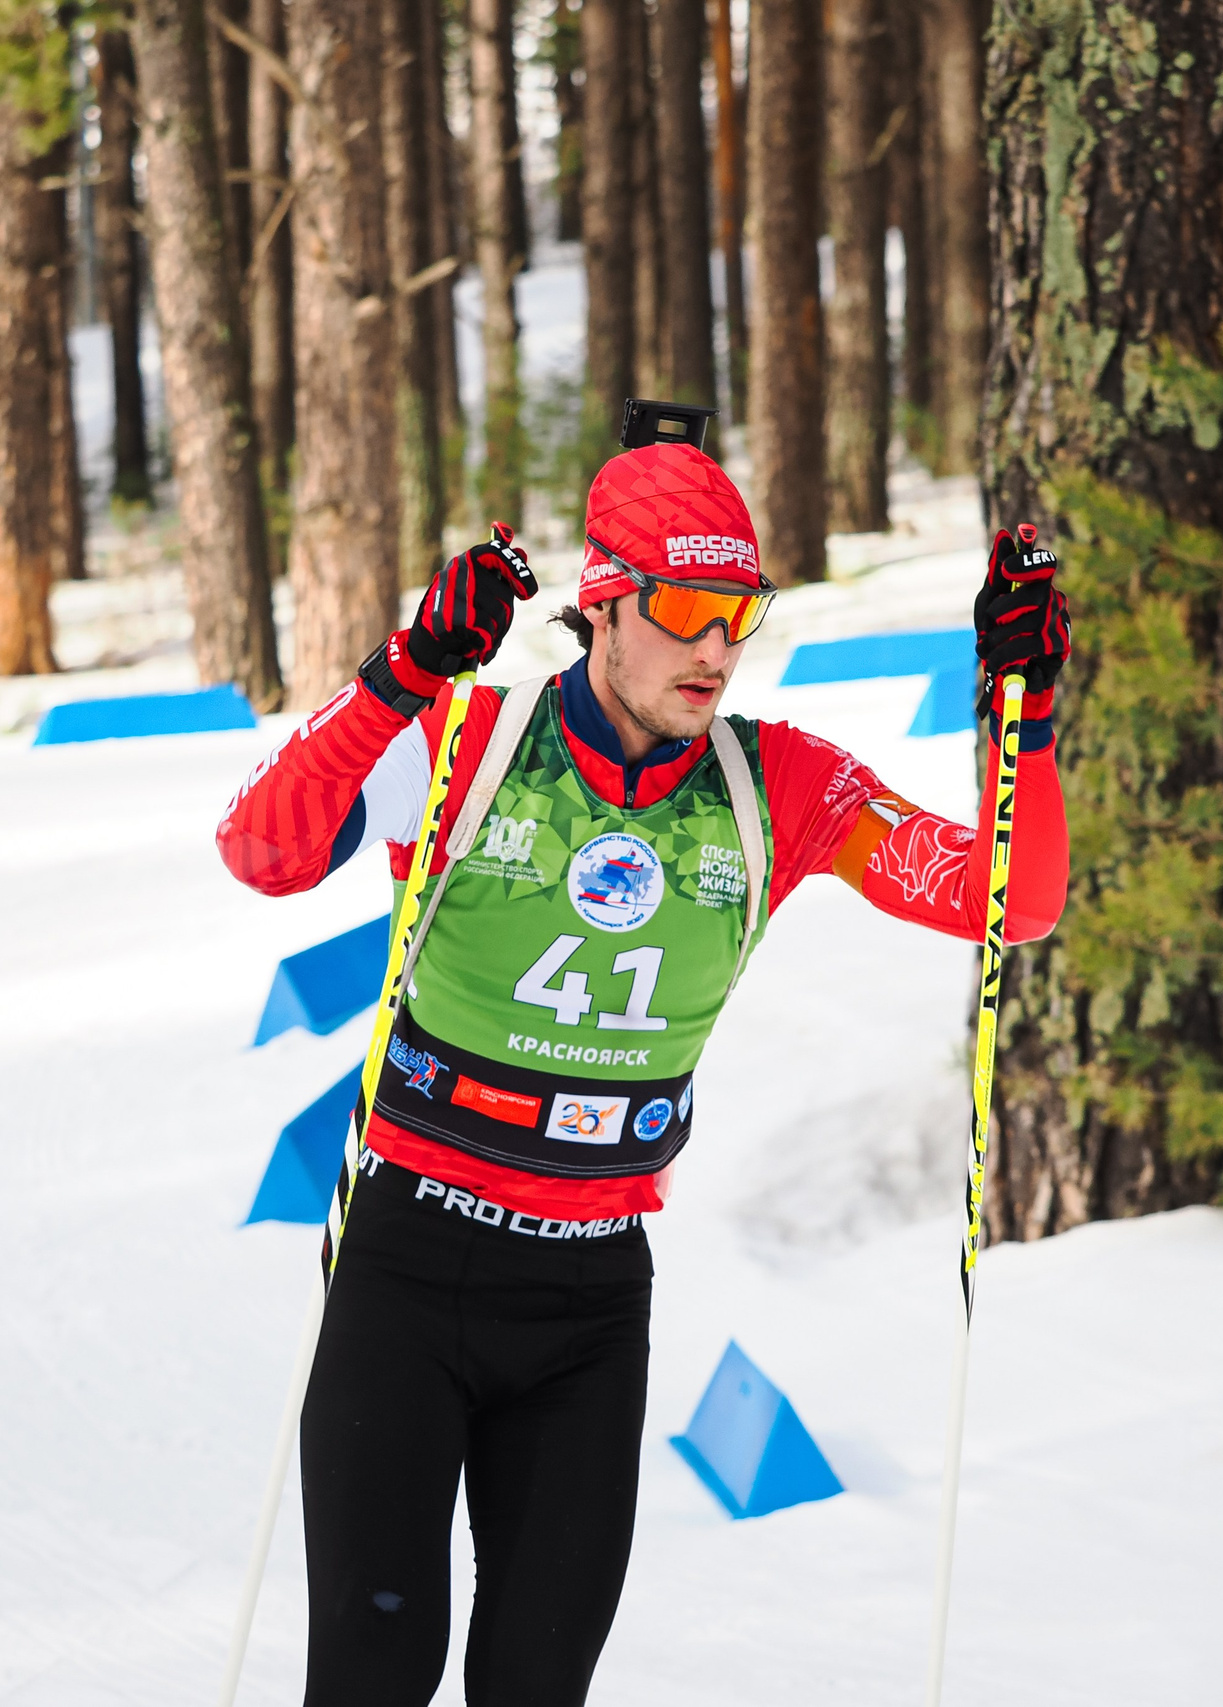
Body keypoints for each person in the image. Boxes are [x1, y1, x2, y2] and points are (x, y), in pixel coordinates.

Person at [216, 440, 1071, 1706]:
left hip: (590, 1296)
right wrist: (407, 671)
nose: (715, 649)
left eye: (739, 615)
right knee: (373, 1668)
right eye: (682, 609)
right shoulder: (467, 740)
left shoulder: (781, 785)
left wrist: (1021, 711)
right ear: (603, 603)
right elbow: (260, 851)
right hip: (408, 1265)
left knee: (536, 1681)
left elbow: (1013, 898)